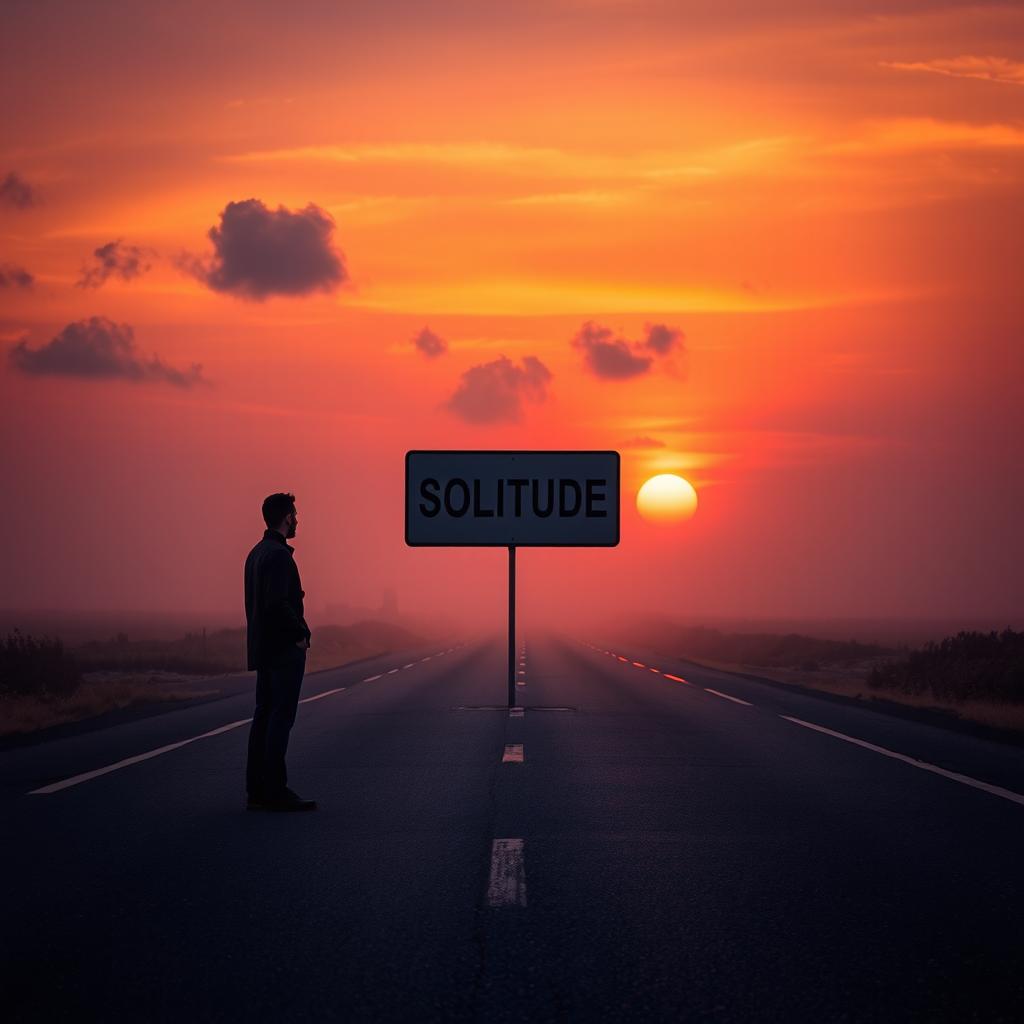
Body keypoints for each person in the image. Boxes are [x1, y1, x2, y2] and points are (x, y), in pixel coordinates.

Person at [244, 492, 317, 811]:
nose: (298, 519)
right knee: (279, 718)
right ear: (286, 517)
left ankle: (257, 789)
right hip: (283, 649)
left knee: (264, 717)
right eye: (295, 514)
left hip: (264, 648)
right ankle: (275, 789)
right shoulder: (277, 556)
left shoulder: (256, 553)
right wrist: (300, 633)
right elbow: (277, 604)